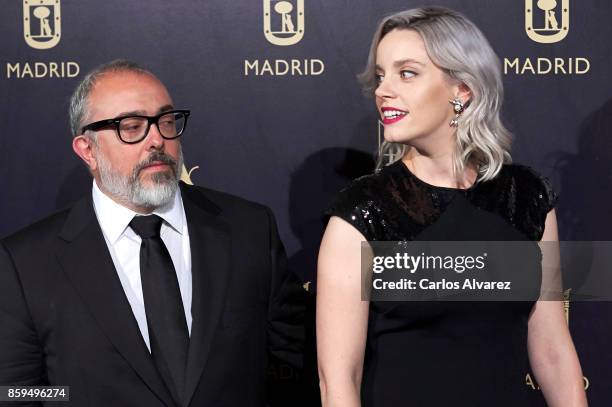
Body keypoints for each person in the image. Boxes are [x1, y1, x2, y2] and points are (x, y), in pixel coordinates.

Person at [316, 7, 587, 407]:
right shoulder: (363, 212)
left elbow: (550, 346)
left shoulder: (526, 199)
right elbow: (338, 380)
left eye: (406, 73)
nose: (382, 89)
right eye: (380, 75)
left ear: (462, 90)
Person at [0, 59, 304, 407]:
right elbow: (17, 393)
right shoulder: (25, 264)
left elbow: (291, 369)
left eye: (166, 120)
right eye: (131, 127)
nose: (157, 139)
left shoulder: (250, 230)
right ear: (88, 150)